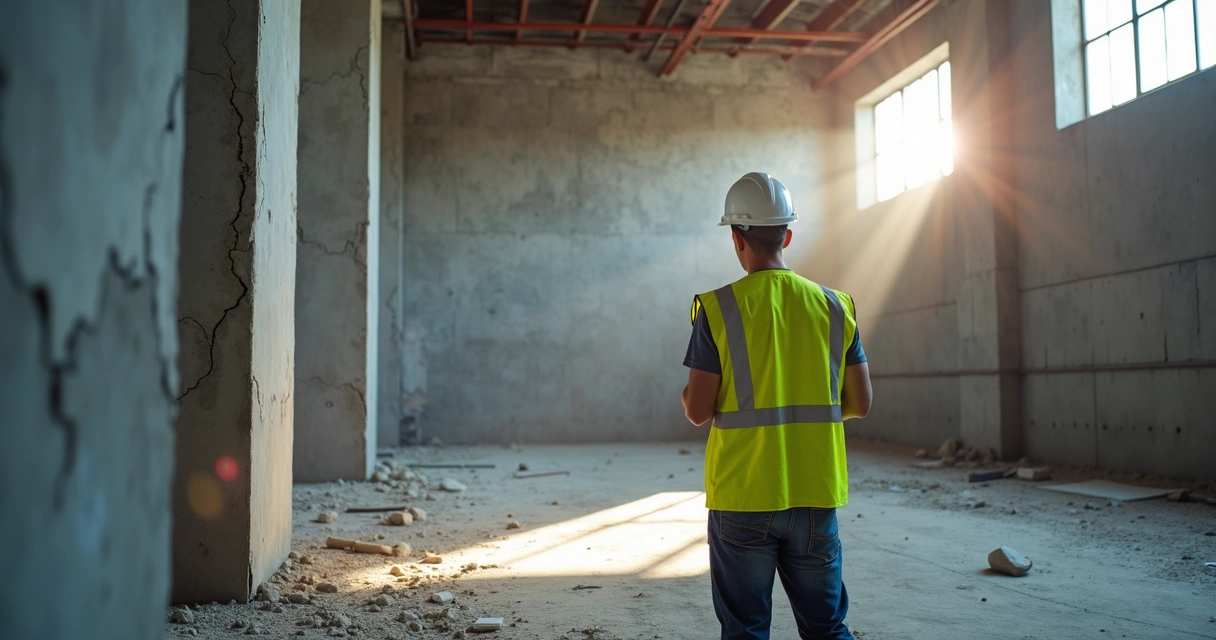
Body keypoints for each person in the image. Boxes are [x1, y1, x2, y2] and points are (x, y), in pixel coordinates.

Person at [681, 172, 872, 640]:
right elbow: (861, 403)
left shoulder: (719, 308)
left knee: (745, 630)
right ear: (787, 235)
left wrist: (692, 394)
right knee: (827, 628)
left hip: (743, 494)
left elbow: (698, 410)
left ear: (736, 239)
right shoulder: (834, 305)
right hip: (815, 492)